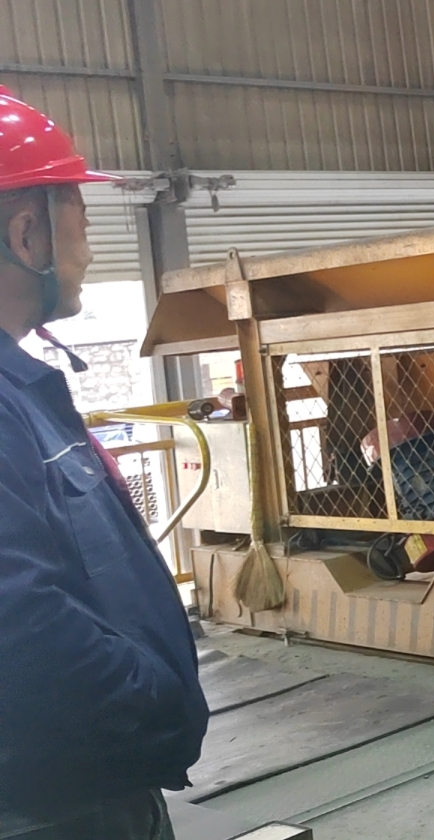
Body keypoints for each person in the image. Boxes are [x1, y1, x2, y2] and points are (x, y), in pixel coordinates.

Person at [0, 88, 206, 838]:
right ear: (27, 235)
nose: (88, 253)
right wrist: (155, 702)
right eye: (81, 225)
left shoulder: (18, 391)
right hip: (59, 809)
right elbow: (17, 622)